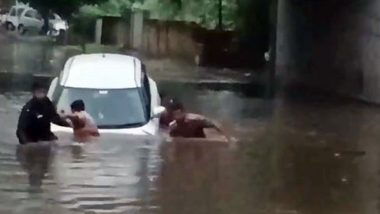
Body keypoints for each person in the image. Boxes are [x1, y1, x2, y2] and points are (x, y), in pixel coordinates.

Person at [16, 82, 69, 189]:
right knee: (35, 160)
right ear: (34, 93)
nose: (42, 94)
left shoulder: (47, 104)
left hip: (46, 138)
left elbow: (55, 118)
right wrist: (26, 144)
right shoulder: (28, 108)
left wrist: (68, 124)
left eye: (43, 92)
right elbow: (20, 130)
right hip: (32, 140)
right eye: (39, 92)